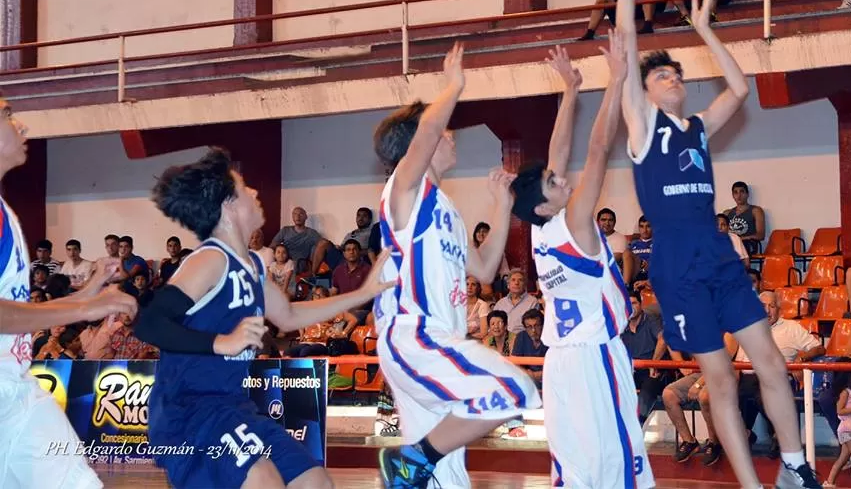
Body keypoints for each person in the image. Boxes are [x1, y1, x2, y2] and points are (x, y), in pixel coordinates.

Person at [613, 0, 820, 489]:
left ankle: (795, 468)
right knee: (721, 381)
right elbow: (628, 42)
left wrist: (705, 28)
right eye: (664, 77)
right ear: (648, 92)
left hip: (719, 257)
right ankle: (752, 485)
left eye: (678, 74)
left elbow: (740, 89)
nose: (673, 78)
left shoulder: (699, 128)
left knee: (771, 364)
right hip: (679, 267)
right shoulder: (641, 130)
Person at [135, 147, 392, 489]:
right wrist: (222, 342)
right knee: (263, 481)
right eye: (245, 189)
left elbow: (287, 315)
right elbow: (149, 323)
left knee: (314, 481)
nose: (255, 192)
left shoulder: (253, 265)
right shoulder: (210, 260)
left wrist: (361, 294)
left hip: (232, 406)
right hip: (189, 410)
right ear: (228, 206)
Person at [371, 42, 541, 488]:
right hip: (415, 337)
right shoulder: (402, 192)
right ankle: (413, 457)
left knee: (446, 482)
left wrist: (502, 206)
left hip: (440, 339)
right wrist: (453, 86)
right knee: (514, 390)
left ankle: (418, 461)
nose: (449, 135)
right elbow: (426, 134)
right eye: (441, 130)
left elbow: (485, 269)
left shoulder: (444, 206)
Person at [509, 29, 653, 488]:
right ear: (544, 204)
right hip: (595, 356)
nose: (560, 178)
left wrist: (570, 91)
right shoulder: (574, 224)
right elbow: (595, 150)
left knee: (573, 467)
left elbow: (559, 154)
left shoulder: (540, 231)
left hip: (559, 364)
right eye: (552, 183)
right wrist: (614, 81)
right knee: (617, 459)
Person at [0, 98, 138, 489]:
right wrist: (86, 304)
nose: (21, 126)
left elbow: (16, 311)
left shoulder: (5, 210)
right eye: (8, 116)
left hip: (15, 388)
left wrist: (89, 291)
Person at [823, 357, 851, 489]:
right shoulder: (845, 393)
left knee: (843, 457)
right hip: (848, 429)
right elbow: (840, 411)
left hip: (848, 429)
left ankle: (830, 482)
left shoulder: (850, 392)